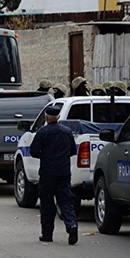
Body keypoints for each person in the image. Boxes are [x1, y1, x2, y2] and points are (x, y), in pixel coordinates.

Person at [29, 105, 78, 245]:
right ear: (59, 117)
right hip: (63, 172)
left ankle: (47, 234)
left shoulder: (42, 132)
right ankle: (71, 225)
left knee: (47, 204)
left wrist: (45, 155)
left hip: (47, 172)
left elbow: (33, 151)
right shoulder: (67, 131)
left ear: (46, 117)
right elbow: (73, 150)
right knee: (65, 201)